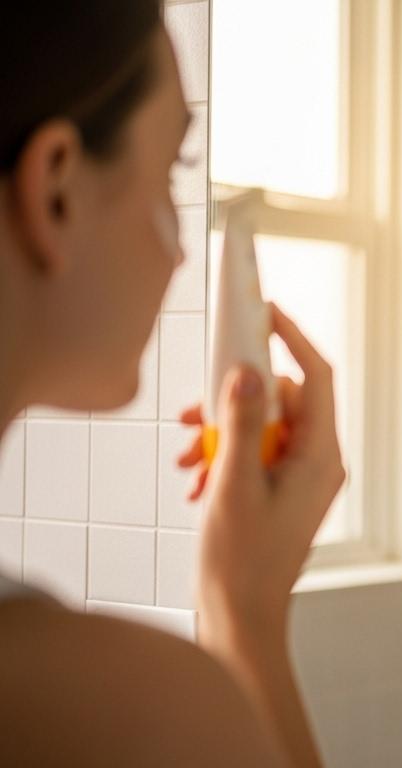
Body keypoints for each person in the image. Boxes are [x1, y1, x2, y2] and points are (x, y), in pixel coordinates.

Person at [0, 3, 344, 764]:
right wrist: (242, 605)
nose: (178, 254)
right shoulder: (105, 710)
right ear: (56, 187)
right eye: (169, 172)